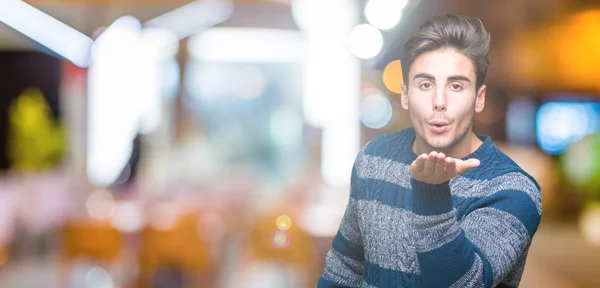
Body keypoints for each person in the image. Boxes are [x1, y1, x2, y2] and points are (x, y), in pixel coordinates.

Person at [318, 14, 542, 288]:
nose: (439, 102)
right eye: (425, 84)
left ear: (479, 98)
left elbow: (465, 284)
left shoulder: (513, 190)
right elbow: (345, 266)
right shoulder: (374, 158)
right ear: (405, 94)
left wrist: (432, 192)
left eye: (456, 86)